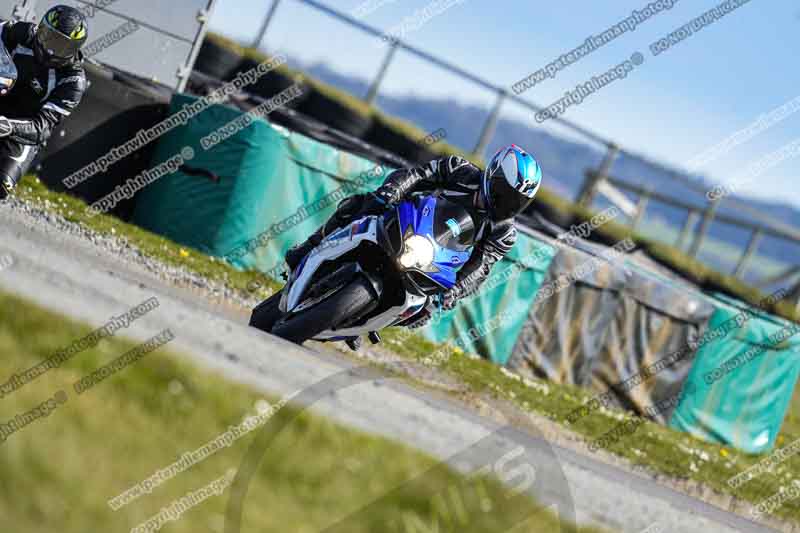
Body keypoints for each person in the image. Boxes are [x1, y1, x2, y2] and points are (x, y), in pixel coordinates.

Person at [285, 144, 543, 328]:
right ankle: (310, 246)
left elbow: (481, 266)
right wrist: (390, 192)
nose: (507, 204)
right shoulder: (459, 169)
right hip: (404, 221)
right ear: (492, 175)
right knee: (359, 204)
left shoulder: (505, 231)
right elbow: (418, 175)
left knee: (423, 309)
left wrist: (450, 295)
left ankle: (371, 318)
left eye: (517, 201)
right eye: (504, 193)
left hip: (433, 260)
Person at [0, 5, 89, 200]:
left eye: (60, 45)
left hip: (21, 132)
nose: (49, 48)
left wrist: (7, 125)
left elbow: (42, 128)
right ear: (40, 28)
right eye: (48, 36)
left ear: (74, 49)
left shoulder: (73, 81)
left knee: (2, 183)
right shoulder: (24, 33)